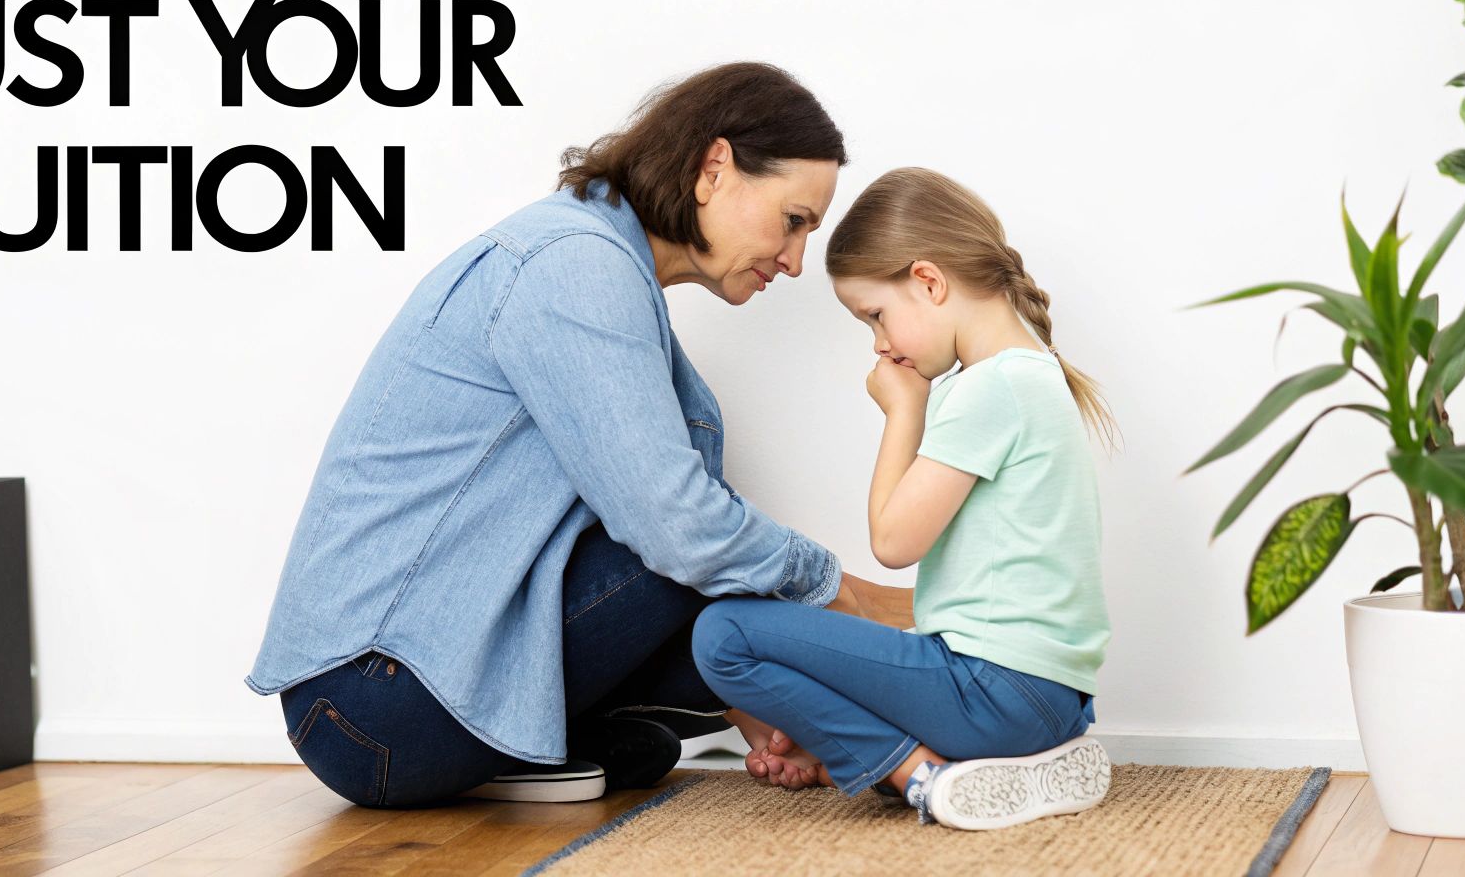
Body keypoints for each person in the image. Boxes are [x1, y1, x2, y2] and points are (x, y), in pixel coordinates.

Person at [246, 62, 902, 807]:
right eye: (793, 220)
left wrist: (754, 706)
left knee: (659, 723)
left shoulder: (601, 265)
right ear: (714, 168)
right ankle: (912, 728)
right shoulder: (573, 263)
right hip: (372, 700)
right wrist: (847, 595)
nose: (794, 261)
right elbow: (676, 527)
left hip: (382, 700)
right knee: (681, 539)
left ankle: (542, 748)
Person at [694, 166, 1119, 830]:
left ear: (928, 281)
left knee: (724, 633)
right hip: (1053, 699)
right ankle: (918, 759)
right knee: (841, 662)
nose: (879, 344)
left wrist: (902, 413)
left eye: (876, 316)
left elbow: (894, 544)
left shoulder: (989, 389)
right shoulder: (1031, 377)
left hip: (993, 694)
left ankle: (915, 773)